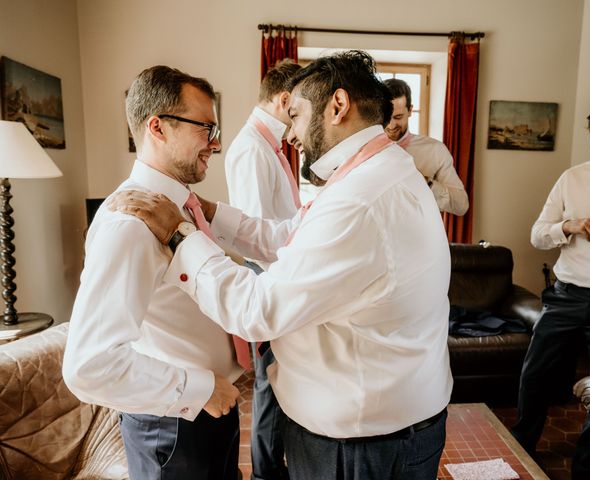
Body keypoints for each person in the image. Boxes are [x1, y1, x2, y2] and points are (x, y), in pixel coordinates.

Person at [111, 50, 453, 480]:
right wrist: (211, 214)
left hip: (361, 445)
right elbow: (292, 235)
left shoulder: (360, 200)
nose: (291, 132)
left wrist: (182, 236)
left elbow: (258, 312)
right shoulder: (380, 170)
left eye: (295, 115)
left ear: (338, 106)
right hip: (386, 421)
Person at [63, 65, 244, 480]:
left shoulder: (183, 208)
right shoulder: (129, 225)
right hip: (176, 426)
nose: (215, 144)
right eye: (205, 128)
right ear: (157, 127)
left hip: (210, 408)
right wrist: (200, 390)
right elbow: (88, 364)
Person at [512, 98, 590, 480]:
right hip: (568, 294)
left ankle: (587, 470)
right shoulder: (572, 178)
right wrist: (567, 227)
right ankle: (520, 447)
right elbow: (537, 234)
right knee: (534, 375)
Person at [225, 59, 301, 480]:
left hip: (279, 273)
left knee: (279, 379)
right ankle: (265, 474)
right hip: (267, 277)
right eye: (301, 106)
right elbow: (254, 233)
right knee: (269, 384)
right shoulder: (252, 148)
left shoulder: (269, 145)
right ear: (285, 99)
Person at [383, 78, 468, 216]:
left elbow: (461, 206)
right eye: (386, 117)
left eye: (398, 117)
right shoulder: (364, 149)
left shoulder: (435, 150)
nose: (391, 125)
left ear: (410, 110)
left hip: (419, 235)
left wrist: (427, 184)